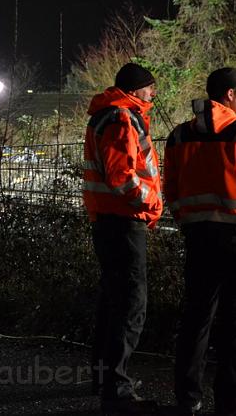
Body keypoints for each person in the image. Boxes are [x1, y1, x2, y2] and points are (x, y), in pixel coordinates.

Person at [163, 67, 236, 416]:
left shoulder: (179, 137)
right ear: (229, 94)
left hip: (199, 238)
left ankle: (187, 398)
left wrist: (187, 221)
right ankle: (228, 404)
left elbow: (172, 190)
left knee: (196, 318)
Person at [83, 62, 163, 414]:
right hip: (123, 220)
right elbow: (124, 177)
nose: (153, 94)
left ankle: (104, 379)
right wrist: (151, 203)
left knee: (112, 300)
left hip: (106, 220)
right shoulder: (121, 119)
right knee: (131, 303)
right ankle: (117, 390)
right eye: (149, 88)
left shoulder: (105, 115)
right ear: (135, 90)